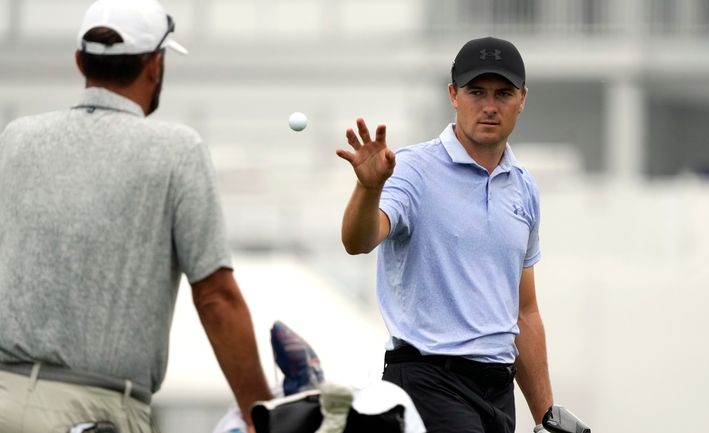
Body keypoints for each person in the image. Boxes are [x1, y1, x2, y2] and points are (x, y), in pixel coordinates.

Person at [0, 1, 271, 432]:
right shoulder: (178, 152)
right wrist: (262, 414)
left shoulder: (15, 140)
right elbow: (216, 298)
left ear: (79, 61)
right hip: (96, 414)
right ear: (155, 66)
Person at [337, 36, 560, 432]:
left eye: (503, 93)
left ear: (522, 99)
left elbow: (524, 311)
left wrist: (547, 418)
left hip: (497, 391)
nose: (489, 106)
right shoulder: (413, 169)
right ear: (454, 95)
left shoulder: (524, 187)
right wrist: (369, 188)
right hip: (427, 381)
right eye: (476, 92)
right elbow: (359, 240)